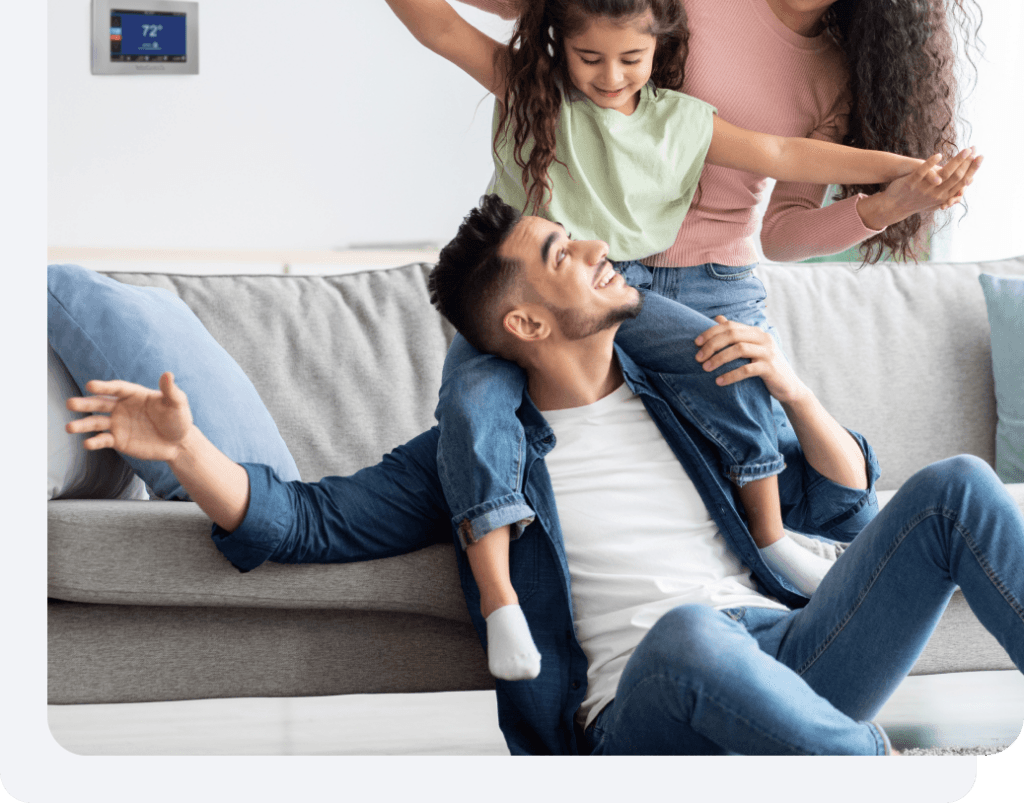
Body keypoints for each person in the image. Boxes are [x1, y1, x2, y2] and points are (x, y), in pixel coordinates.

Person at [65, 195, 1024, 756]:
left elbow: (844, 504)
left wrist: (797, 388)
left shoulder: (685, 397)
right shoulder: (471, 457)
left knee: (958, 487)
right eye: (565, 253)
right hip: (643, 699)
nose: (603, 248)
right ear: (524, 324)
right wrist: (186, 451)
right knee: (692, 634)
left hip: (793, 654)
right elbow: (302, 521)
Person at [297, 0, 972, 676]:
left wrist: (905, 172)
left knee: (731, 359)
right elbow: (447, 24)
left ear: (661, 48)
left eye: (630, 59)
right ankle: (500, 600)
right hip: (535, 298)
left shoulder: (682, 121)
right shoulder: (540, 92)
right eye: (590, 57)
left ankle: (770, 538)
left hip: (630, 294)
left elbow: (789, 160)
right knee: (472, 411)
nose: (610, 76)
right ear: (560, 43)